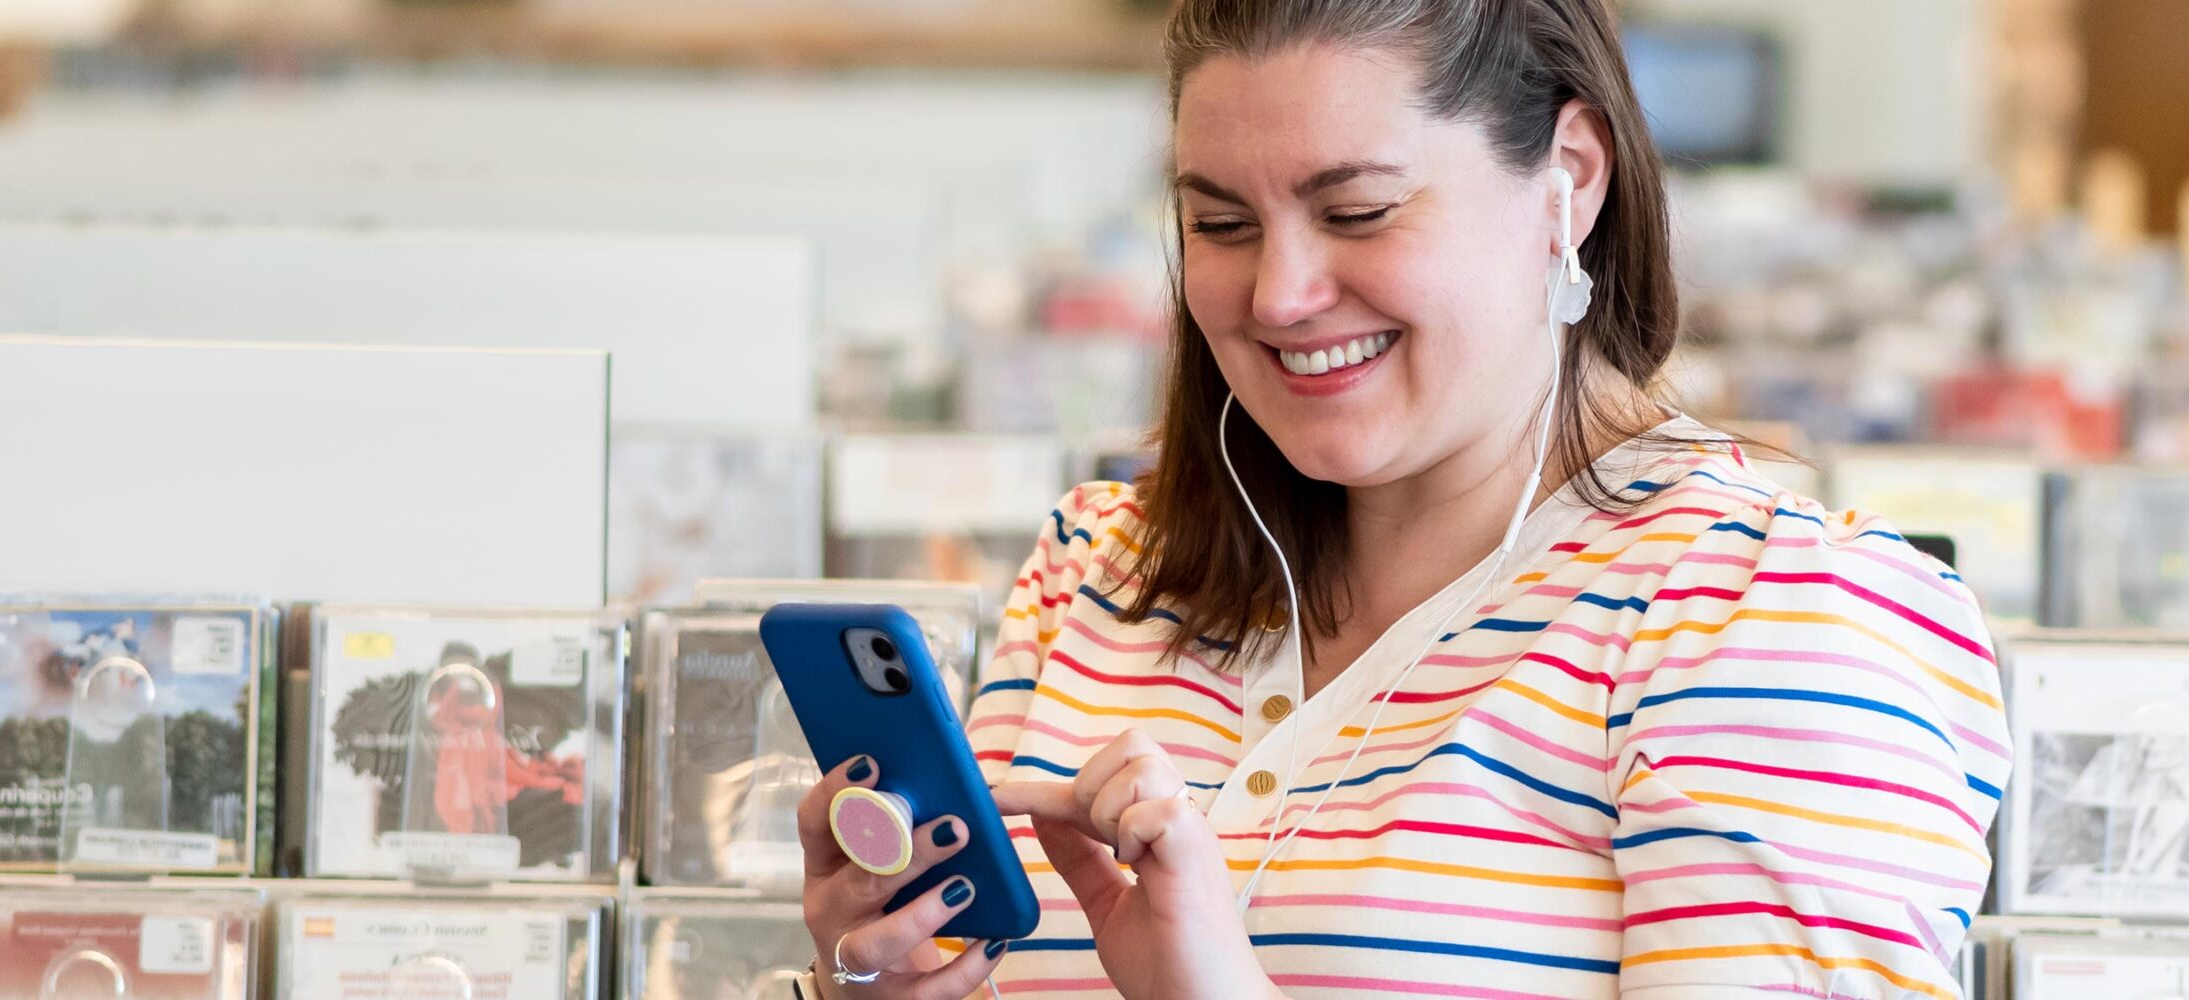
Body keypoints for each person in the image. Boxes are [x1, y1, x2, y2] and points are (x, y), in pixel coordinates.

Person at [791, 0, 2010, 996]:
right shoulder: (1097, 573)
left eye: (1355, 211)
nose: (1277, 295)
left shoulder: (1771, 620)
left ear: (1567, 184)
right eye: (1218, 222)